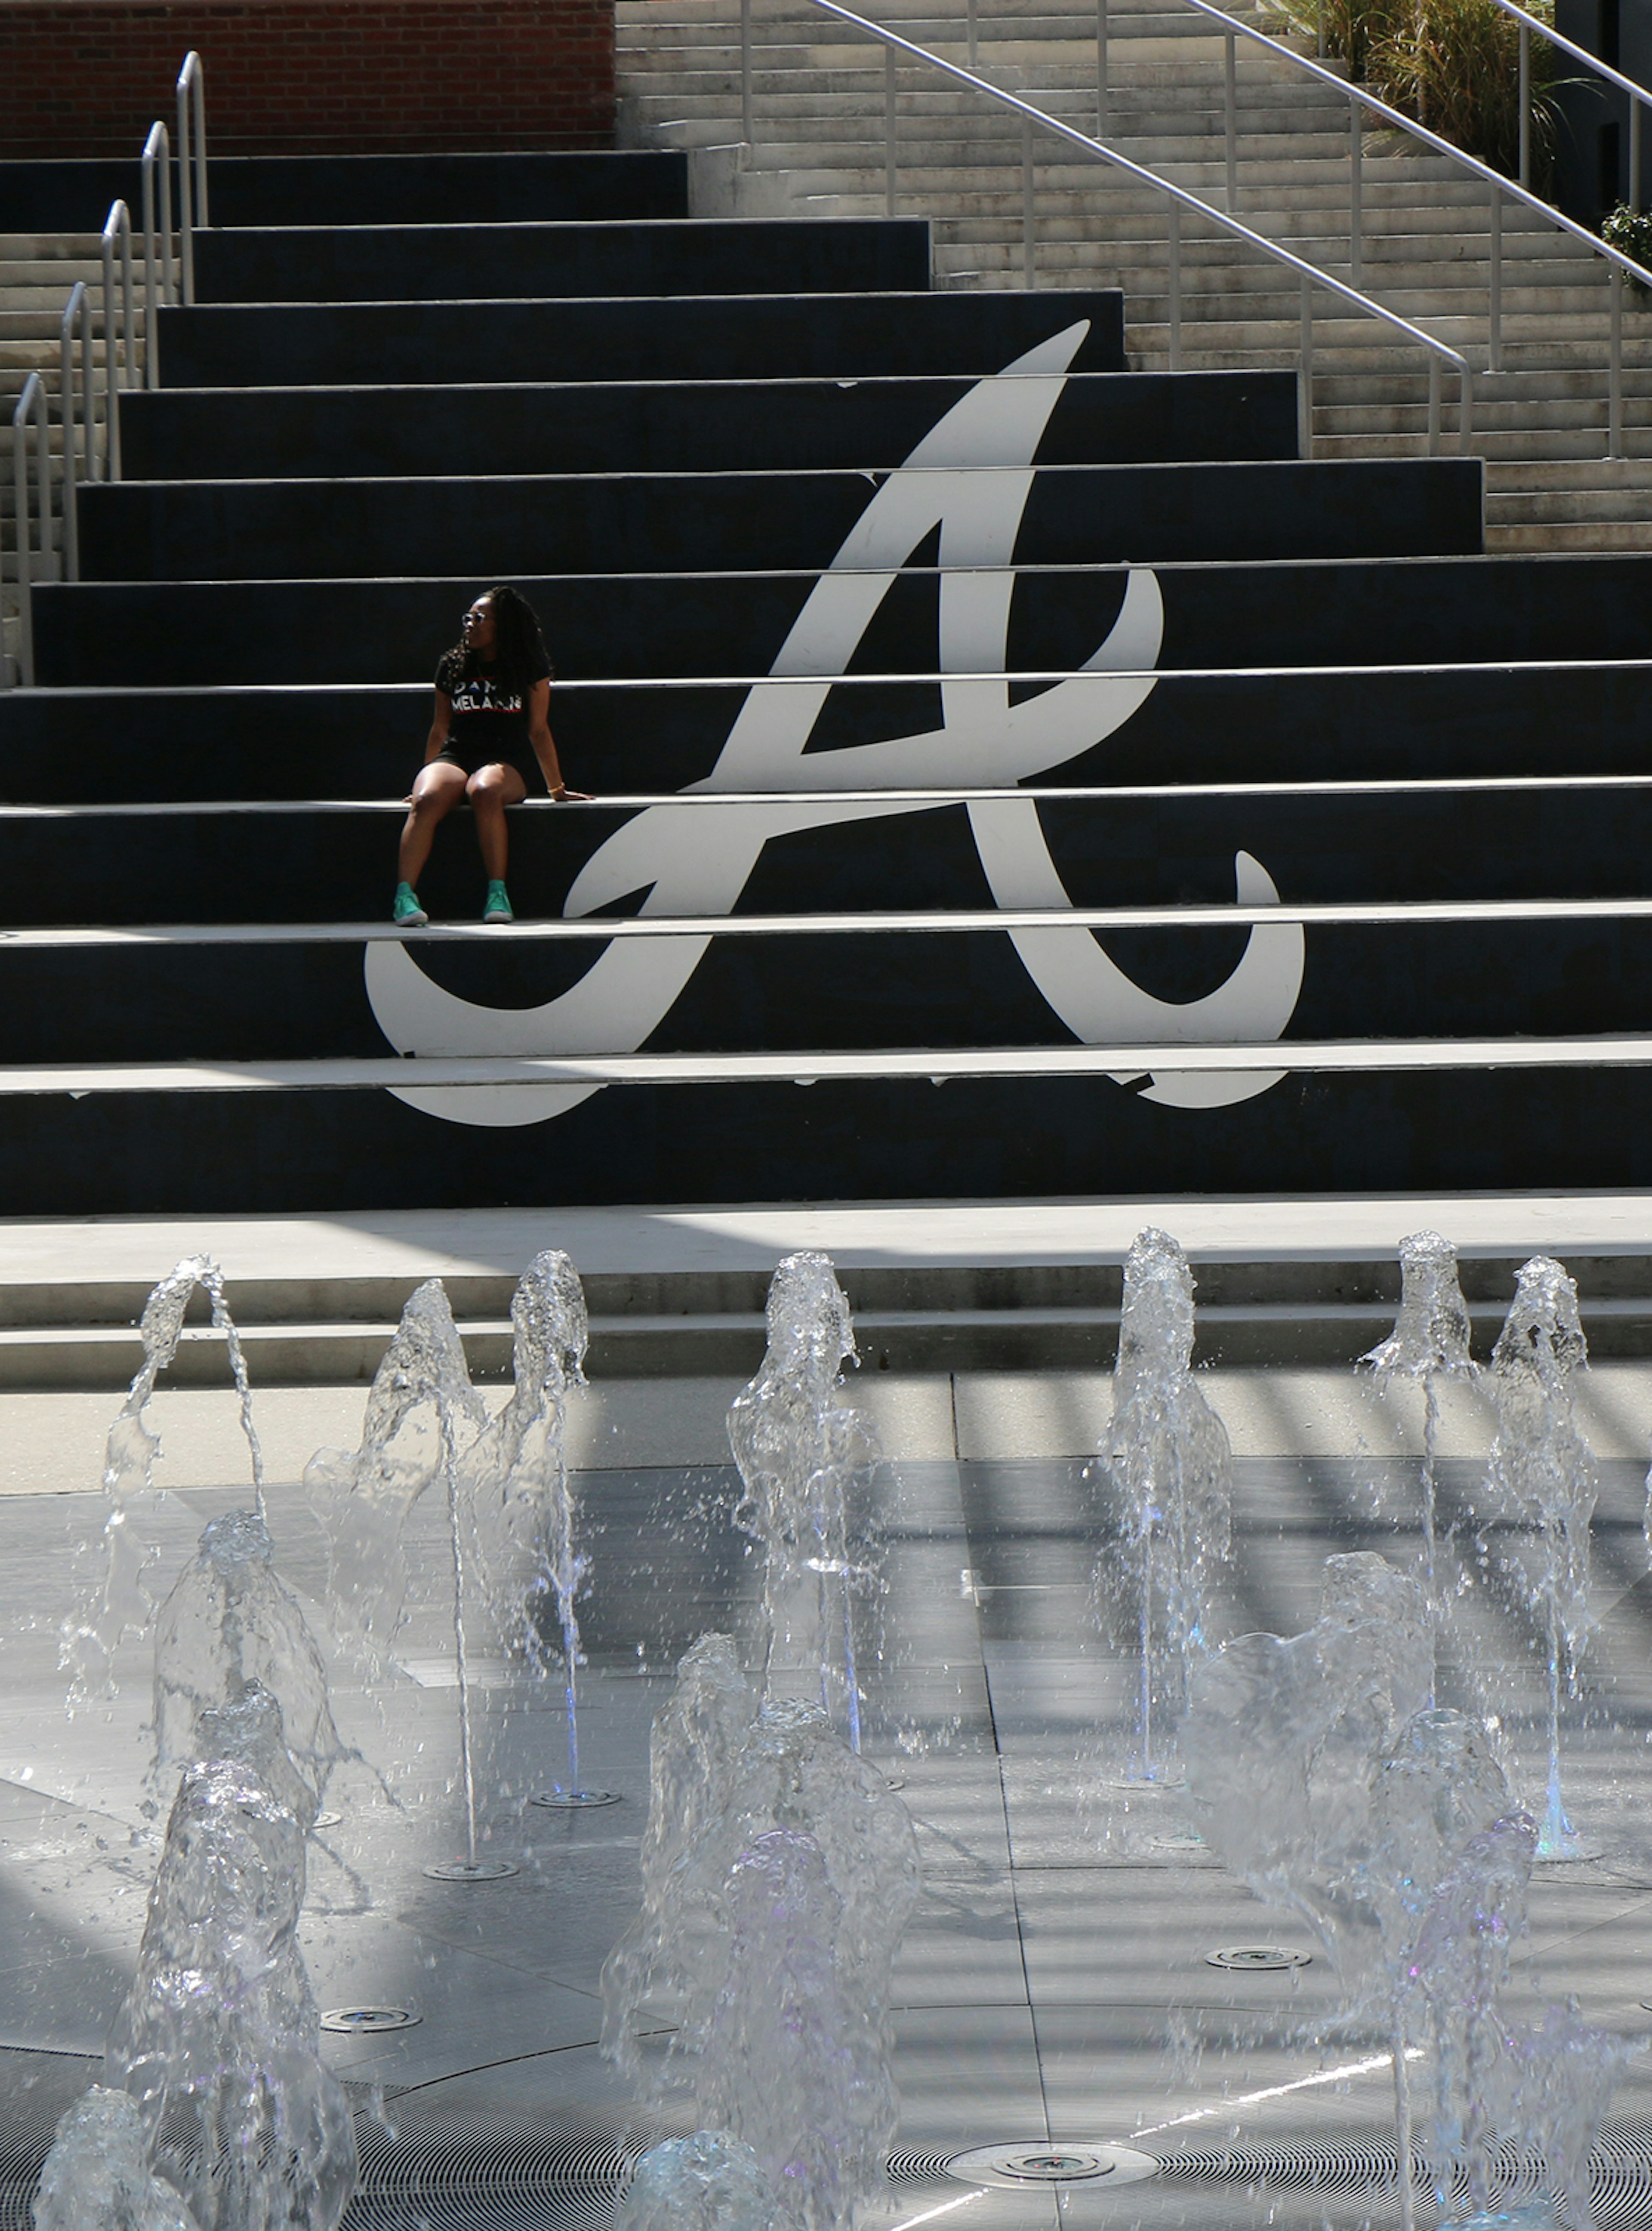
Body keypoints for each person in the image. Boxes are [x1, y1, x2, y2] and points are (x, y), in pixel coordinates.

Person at [392, 586, 588, 927]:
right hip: (456, 756)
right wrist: (426, 773)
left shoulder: (528, 668)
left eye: (479, 618)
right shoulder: (452, 665)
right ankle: (405, 897)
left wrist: (557, 789)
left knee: (484, 792)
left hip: (505, 761)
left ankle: (497, 894)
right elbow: (440, 729)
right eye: (468, 618)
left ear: (504, 625)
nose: (470, 624)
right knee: (425, 799)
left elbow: (538, 730)